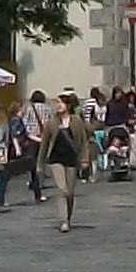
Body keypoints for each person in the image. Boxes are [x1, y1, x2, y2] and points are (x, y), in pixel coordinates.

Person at [47, 94, 91, 231]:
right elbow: (44, 143)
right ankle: (63, 220)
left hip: (71, 159)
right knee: (62, 189)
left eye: (61, 103)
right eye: (57, 103)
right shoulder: (52, 122)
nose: (58, 105)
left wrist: (85, 158)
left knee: (70, 193)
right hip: (56, 159)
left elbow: (83, 141)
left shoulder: (76, 121)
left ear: (68, 105)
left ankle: (68, 216)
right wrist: (40, 164)